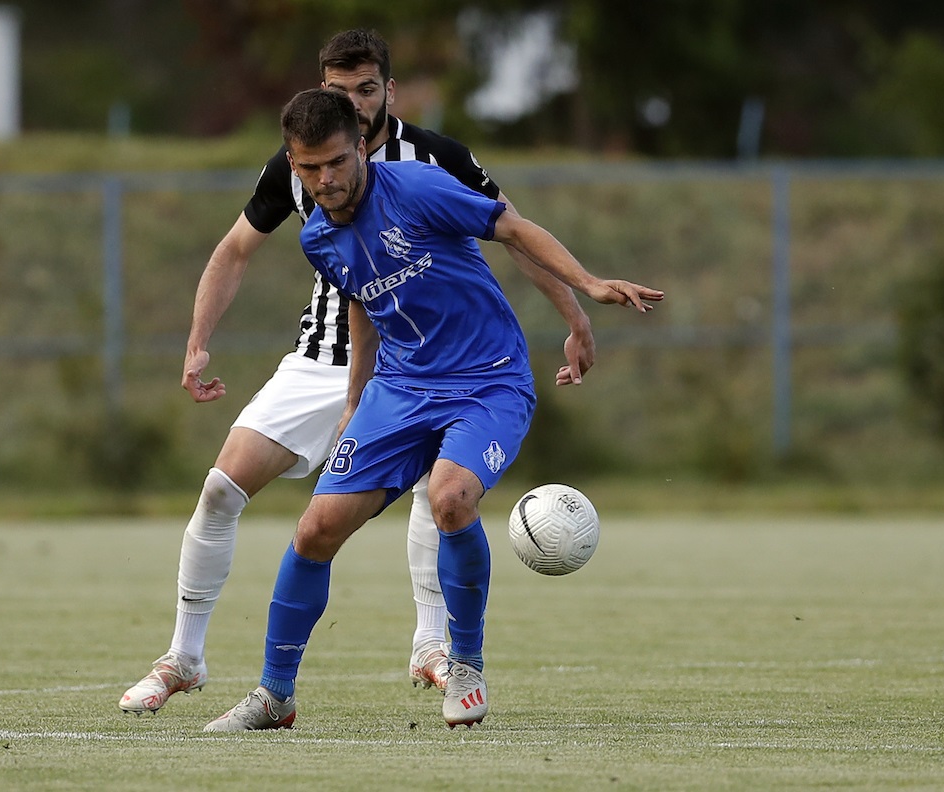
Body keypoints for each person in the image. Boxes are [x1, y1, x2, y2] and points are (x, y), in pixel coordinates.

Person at [119, 29, 597, 715]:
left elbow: (514, 234)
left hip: (456, 368)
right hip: (336, 363)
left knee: (445, 494)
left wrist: (578, 312)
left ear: (386, 93)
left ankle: (442, 651)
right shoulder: (303, 183)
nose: (354, 105)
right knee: (239, 494)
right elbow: (257, 258)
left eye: (366, 90)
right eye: (340, 92)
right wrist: (199, 344)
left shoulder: (432, 163)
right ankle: (191, 661)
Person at [204, 88, 663, 731]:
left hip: (487, 381)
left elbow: (513, 227)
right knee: (314, 531)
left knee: (449, 499)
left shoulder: (418, 187)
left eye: (336, 161)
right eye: (308, 168)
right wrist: (355, 399)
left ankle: (465, 666)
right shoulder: (316, 237)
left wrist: (586, 287)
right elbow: (364, 304)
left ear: (360, 147)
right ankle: (275, 695)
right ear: (292, 163)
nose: (325, 179)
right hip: (399, 390)